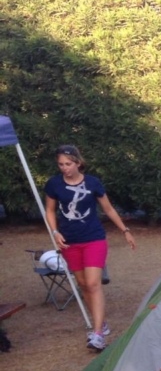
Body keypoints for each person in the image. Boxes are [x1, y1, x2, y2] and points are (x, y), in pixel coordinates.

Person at [44, 144, 136, 351]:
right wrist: (55, 232)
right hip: (69, 241)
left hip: (94, 238)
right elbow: (50, 210)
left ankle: (97, 334)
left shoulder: (93, 183)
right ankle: (100, 322)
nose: (65, 168)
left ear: (78, 163)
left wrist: (125, 230)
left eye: (68, 164)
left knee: (94, 283)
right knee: (83, 284)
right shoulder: (54, 184)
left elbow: (108, 209)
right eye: (61, 164)